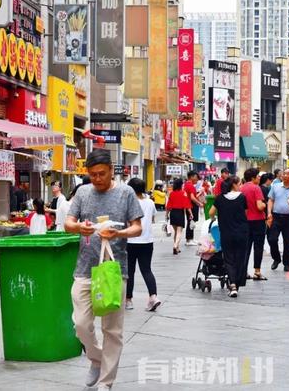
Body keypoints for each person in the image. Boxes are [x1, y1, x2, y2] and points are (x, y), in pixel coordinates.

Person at [64, 149, 143, 389]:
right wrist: (78, 227)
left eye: (101, 174)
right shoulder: (82, 192)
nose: (97, 179)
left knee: (112, 330)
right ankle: (96, 358)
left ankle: (106, 381)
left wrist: (118, 233)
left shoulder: (126, 193)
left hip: (114, 270)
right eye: (92, 174)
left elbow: (137, 227)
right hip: (84, 269)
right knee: (80, 324)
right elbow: (67, 223)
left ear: (111, 170)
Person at [209, 176, 249, 298]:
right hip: (241, 233)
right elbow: (245, 213)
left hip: (226, 233)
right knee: (240, 258)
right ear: (234, 185)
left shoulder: (220, 198)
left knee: (229, 259)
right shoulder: (242, 197)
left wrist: (214, 219)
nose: (241, 186)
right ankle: (237, 283)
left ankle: (232, 285)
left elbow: (211, 213)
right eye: (239, 184)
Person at [125, 178, 161, 312]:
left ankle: (128, 300)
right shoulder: (150, 202)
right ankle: (153, 296)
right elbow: (152, 218)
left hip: (130, 241)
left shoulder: (128, 203)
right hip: (147, 241)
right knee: (147, 270)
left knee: (130, 271)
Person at [266, 168, 289, 272]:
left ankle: (287, 264)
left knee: (288, 242)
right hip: (276, 217)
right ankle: (276, 258)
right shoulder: (275, 187)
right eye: (284, 173)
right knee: (272, 239)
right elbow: (270, 200)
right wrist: (269, 213)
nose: (285, 175)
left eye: (288, 174)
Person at [241, 168, 267, 280]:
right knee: (258, 247)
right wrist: (265, 204)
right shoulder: (256, 188)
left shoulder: (241, 188)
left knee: (246, 247)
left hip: (245, 222)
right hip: (258, 221)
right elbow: (259, 206)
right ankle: (257, 271)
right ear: (252, 178)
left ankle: (244, 271)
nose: (259, 178)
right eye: (258, 176)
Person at [166, 178, 193, 255]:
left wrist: (166, 215)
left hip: (173, 213)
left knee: (175, 232)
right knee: (179, 232)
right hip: (180, 213)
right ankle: (175, 246)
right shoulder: (183, 193)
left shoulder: (171, 193)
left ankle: (177, 248)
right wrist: (191, 213)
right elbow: (187, 205)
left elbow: (168, 205)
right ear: (181, 185)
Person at [184, 171, 204, 246]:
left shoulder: (187, 184)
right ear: (191, 177)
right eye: (195, 177)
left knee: (191, 222)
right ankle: (189, 240)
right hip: (191, 206)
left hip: (189, 205)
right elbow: (192, 198)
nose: (197, 179)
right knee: (190, 222)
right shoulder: (190, 186)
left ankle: (190, 238)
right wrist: (199, 203)